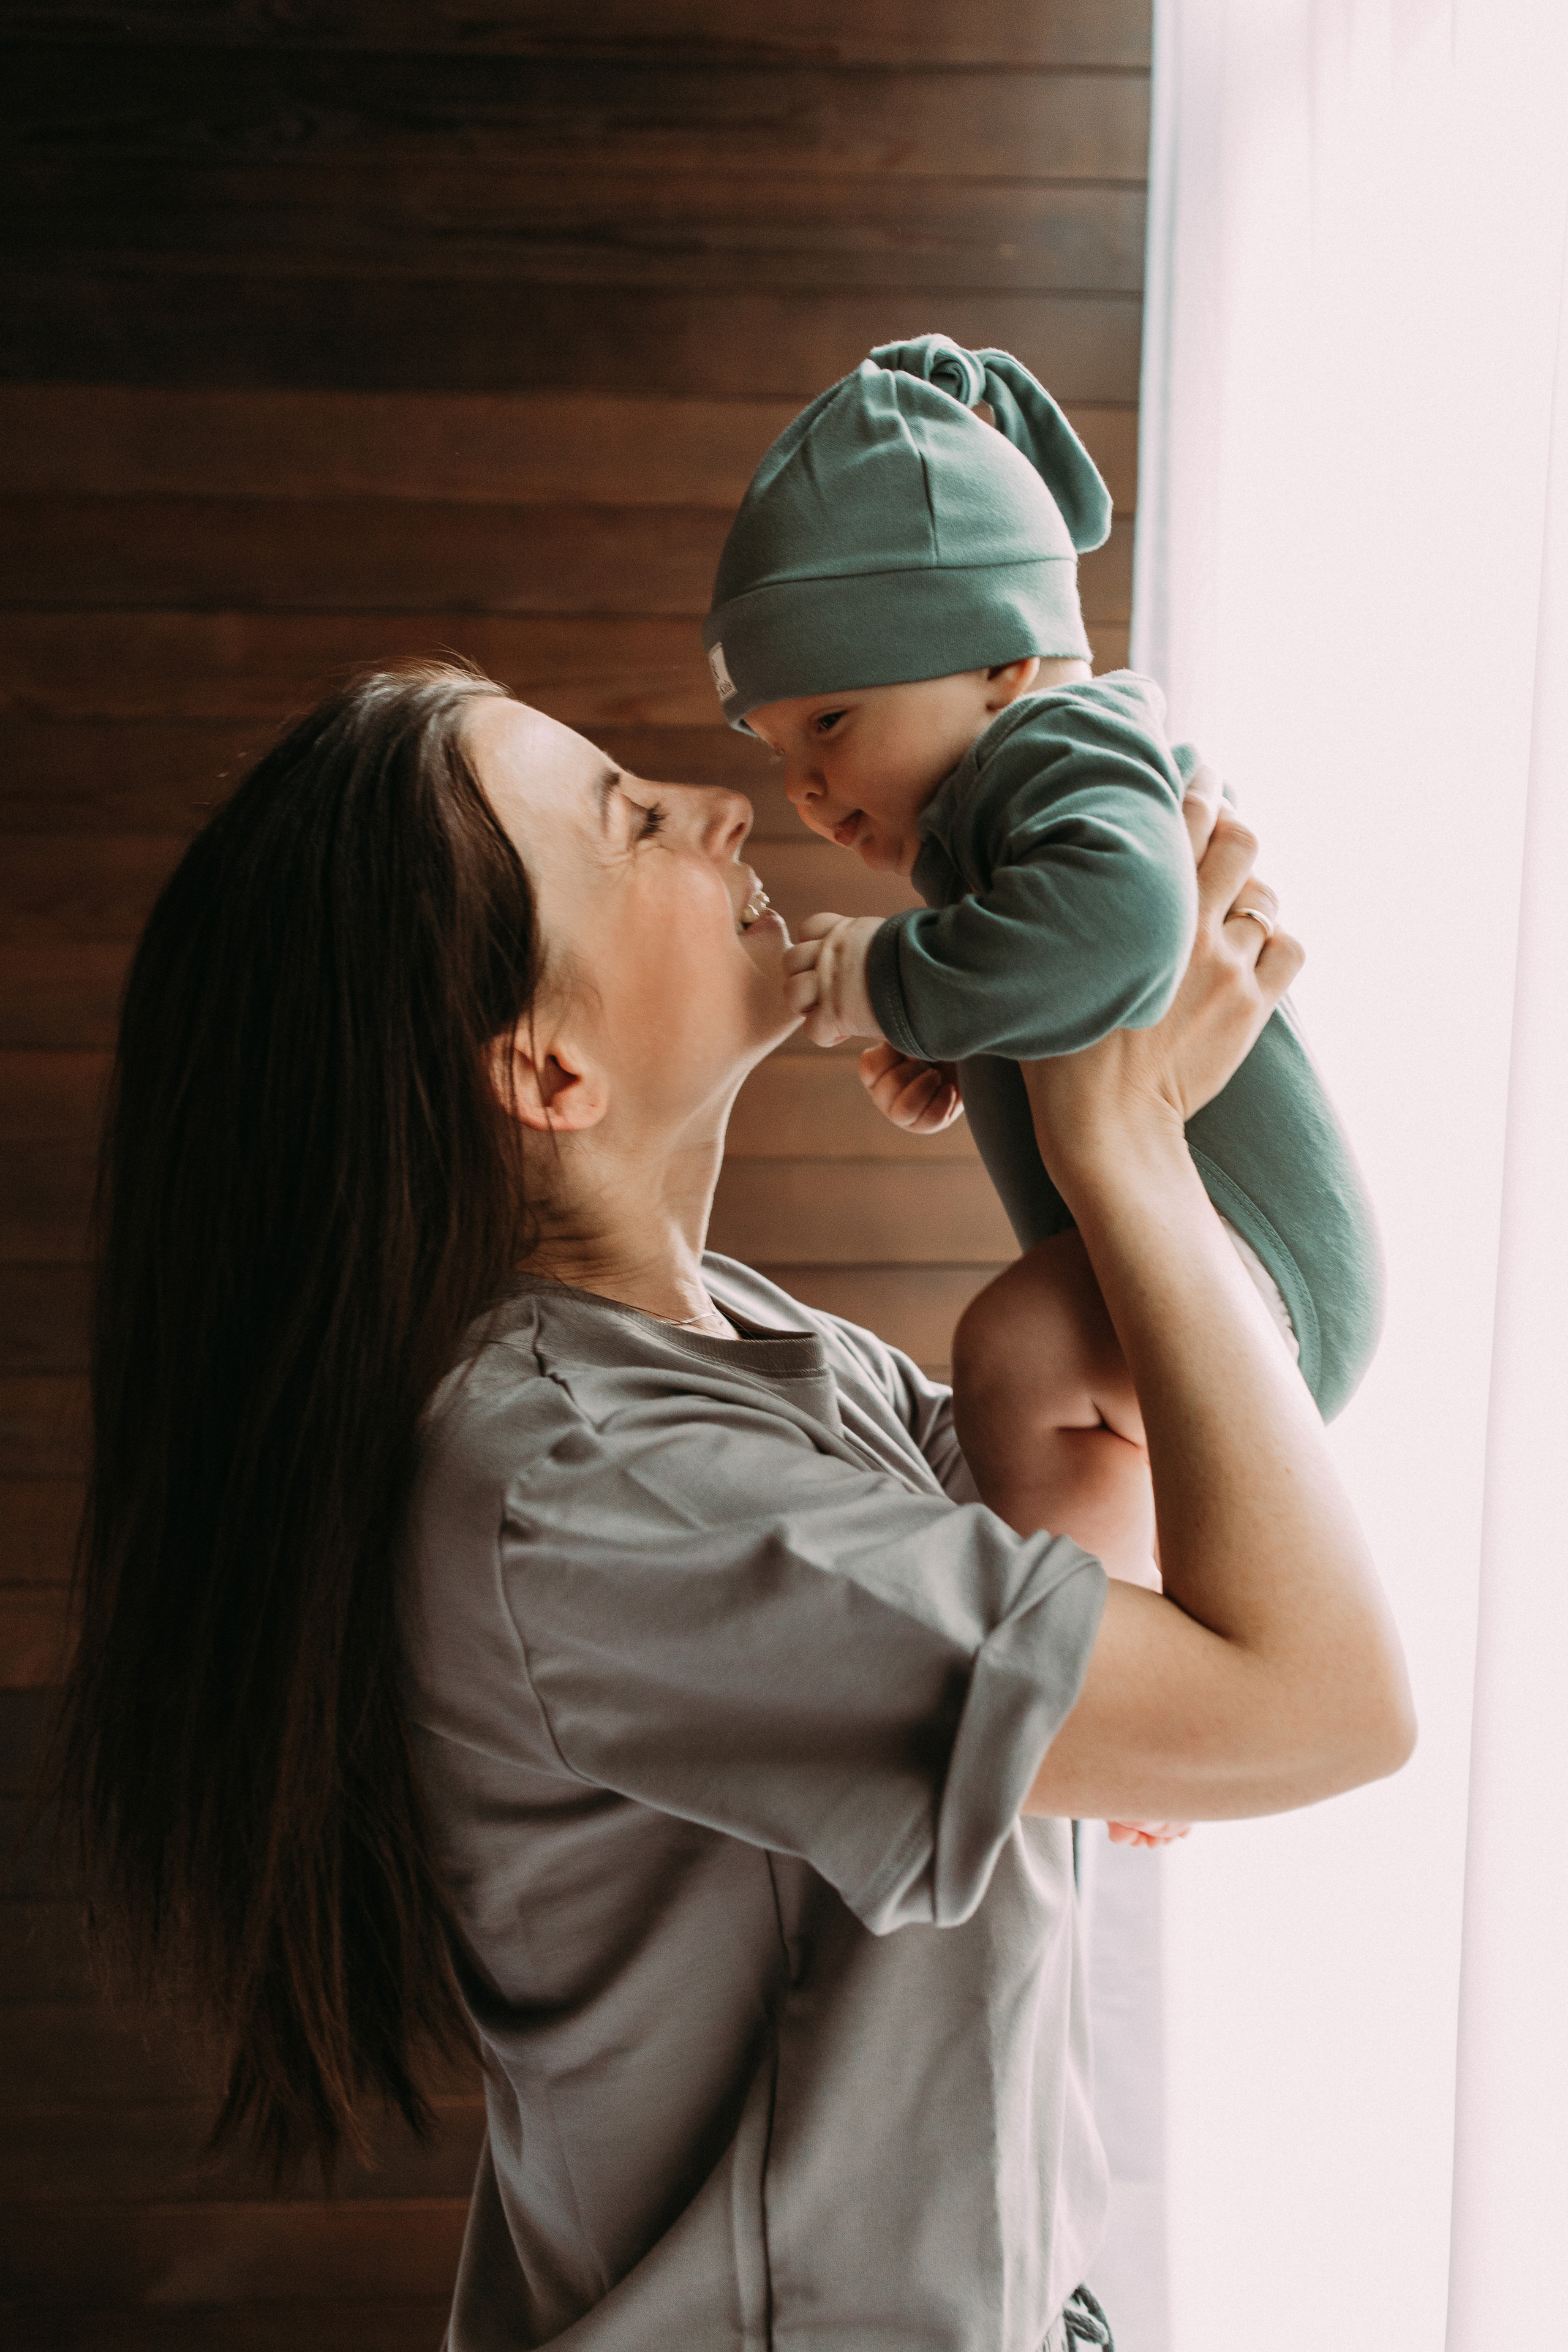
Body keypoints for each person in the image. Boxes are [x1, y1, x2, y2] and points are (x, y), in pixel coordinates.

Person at [54, 661, 1413, 2352]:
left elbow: (1137, 1589)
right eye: (631, 823)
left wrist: (1132, 1058)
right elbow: (1321, 1706)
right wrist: (1118, 1154)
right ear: (547, 1071)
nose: (725, 808)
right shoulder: (581, 1486)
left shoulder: (758, 1348)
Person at [702, 336, 1382, 1613]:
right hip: (1195, 1260)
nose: (802, 788)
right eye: (778, 745)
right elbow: (1078, 979)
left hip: (1256, 1267)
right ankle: (1130, 1638)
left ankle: (1117, 1670)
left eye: (831, 722)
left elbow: (1121, 930)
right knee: (1022, 1371)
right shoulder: (1001, 804)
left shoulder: (1064, 745)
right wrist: (967, 1034)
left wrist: (888, 977)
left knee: (1010, 1359)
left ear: (1004, 660)